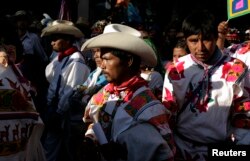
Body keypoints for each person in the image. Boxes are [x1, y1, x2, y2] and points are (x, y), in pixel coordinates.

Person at [162, 10, 250, 161]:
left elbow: (244, 112)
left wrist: (239, 148)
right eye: (194, 40)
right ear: (186, 40)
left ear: (216, 37)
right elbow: (167, 113)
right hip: (181, 148)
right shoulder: (176, 69)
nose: (200, 47)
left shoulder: (237, 68)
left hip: (221, 149)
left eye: (207, 39)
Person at [81, 23, 175, 161]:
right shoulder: (105, 93)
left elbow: (163, 154)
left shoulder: (150, 107)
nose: (101, 65)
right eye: (101, 59)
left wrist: (124, 152)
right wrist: (90, 139)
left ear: (129, 61)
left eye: (106, 59)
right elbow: (92, 122)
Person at [41, 20, 90, 161]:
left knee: (66, 148)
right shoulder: (60, 58)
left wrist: (58, 111)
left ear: (67, 40)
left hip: (64, 112)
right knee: (52, 145)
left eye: (56, 39)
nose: (52, 42)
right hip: (55, 107)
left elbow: (70, 90)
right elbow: (51, 78)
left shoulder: (76, 60)